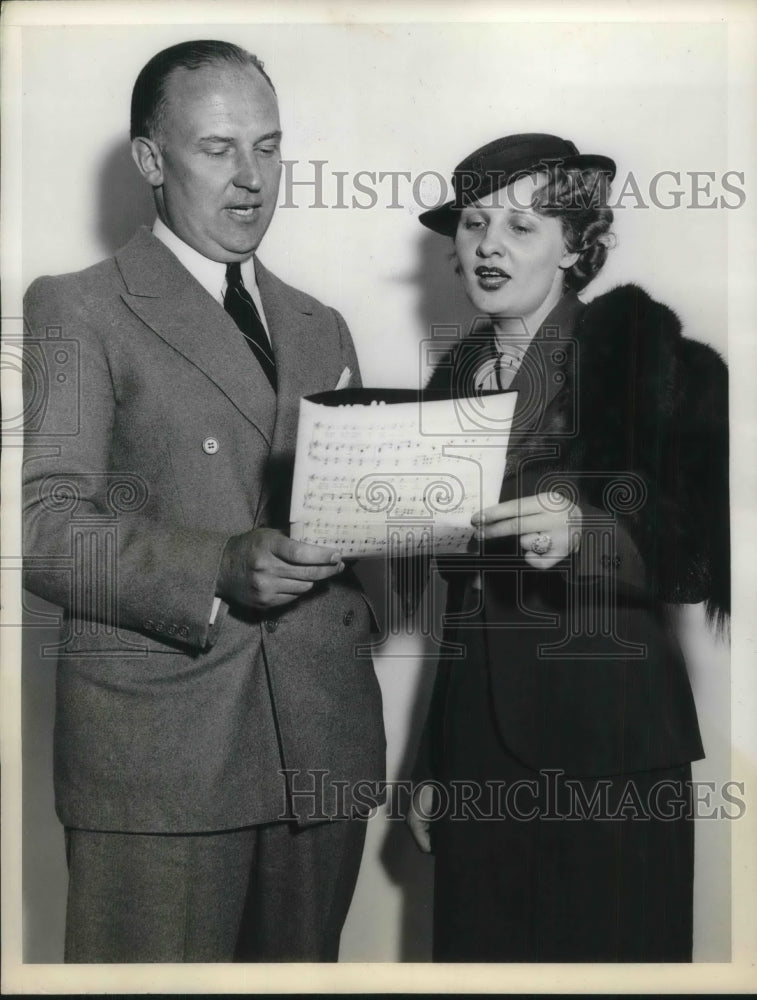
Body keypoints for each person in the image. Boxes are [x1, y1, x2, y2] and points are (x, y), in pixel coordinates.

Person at [22, 40, 385, 963]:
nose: (252, 179)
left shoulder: (320, 322)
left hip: (321, 749)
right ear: (151, 159)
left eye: (268, 148)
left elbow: (349, 526)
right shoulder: (78, 306)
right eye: (218, 149)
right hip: (164, 761)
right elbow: (45, 528)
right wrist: (215, 567)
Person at [405, 133, 729, 962]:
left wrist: (589, 534)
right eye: (474, 223)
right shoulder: (448, 385)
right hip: (479, 751)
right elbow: (461, 604)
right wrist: (433, 760)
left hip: (611, 749)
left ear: (576, 246)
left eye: (520, 225)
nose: (486, 244)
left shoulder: (647, 358)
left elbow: (696, 559)